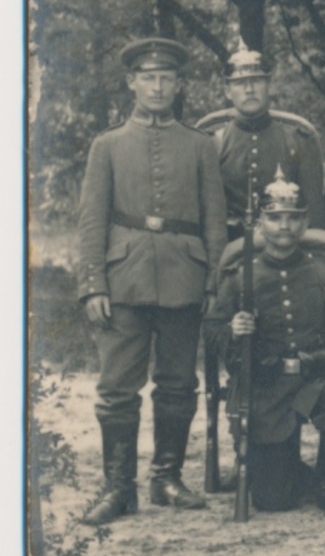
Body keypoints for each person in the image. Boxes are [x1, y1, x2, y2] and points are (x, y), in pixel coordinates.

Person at [77, 37, 227, 524]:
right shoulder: (107, 145)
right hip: (124, 279)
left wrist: (213, 283)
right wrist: (93, 284)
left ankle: (167, 477)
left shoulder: (201, 145)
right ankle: (119, 488)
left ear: (179, 84)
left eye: (166, 78)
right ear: (132, 83)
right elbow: (92, 221)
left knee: (179, 383)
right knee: (118, 387)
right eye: (149, 78)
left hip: (186, 275)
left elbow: (215, 221)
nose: (158, 86)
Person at [207, 168, 325, 515]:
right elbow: (211, 331)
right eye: (274, 218)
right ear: (259, 225)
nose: (284, 226)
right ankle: (304, 478)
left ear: (305, 224)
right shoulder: (240, 277)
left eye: (293, 218)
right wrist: (233, 329)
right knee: (273, 500)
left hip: (319, 381)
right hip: (267, 387)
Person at [197, 37, 325, 239]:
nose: (249, 90)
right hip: (229, 248)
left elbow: (313, 215)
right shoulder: (212, 141)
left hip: (286, 248)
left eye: (257, 81)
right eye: (240, 83)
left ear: (269, 85)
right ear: (227, 91)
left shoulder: (298, 138)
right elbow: (203, 211)